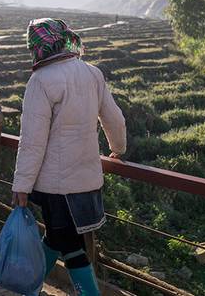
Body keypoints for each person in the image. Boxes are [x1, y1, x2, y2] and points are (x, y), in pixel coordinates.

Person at [11, 18, 126, 296]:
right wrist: (118, 150)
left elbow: (32, 142)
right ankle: (29, 288)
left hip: (55, 187)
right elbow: (114, 118)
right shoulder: (92, 73)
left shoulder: (41, 81)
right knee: (55, 237)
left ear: (37, 46)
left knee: (71, 247)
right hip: (87, 180)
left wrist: (21, 186)